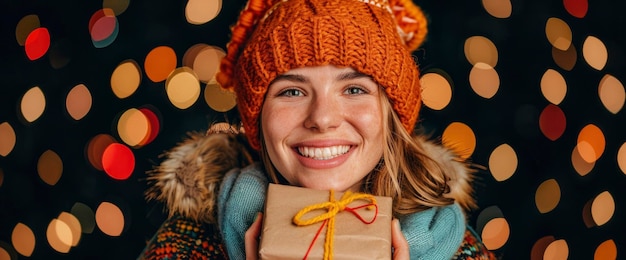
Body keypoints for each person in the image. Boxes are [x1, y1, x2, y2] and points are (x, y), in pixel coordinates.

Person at [140, 0, 497, 259]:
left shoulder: (459, 249)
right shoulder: (187, 244)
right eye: (292, 91)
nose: (323, 118)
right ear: (258, 118)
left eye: (354, 89)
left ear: (391, 116)